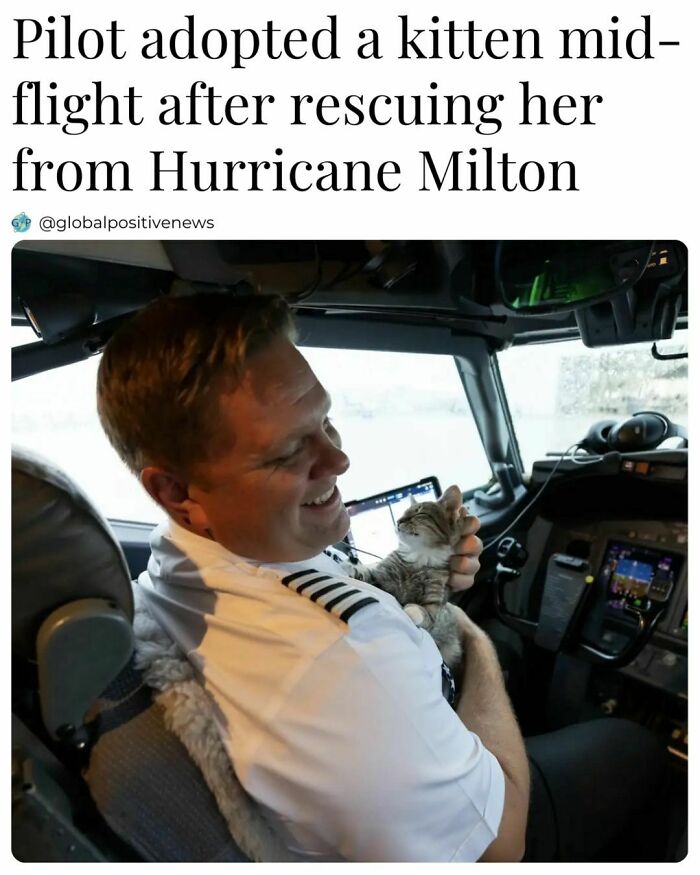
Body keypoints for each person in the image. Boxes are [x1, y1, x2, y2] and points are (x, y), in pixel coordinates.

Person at [96, 293, 669, 862]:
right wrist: (472, 639)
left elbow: (313, 595)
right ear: (176, 491)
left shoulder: (182, 565)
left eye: (326, 421)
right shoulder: (343, 667)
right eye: (288, 452)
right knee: (633, 747)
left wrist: (420, 581)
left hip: (393, 765)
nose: (338, 461)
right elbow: (501, 847)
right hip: (485, 831)